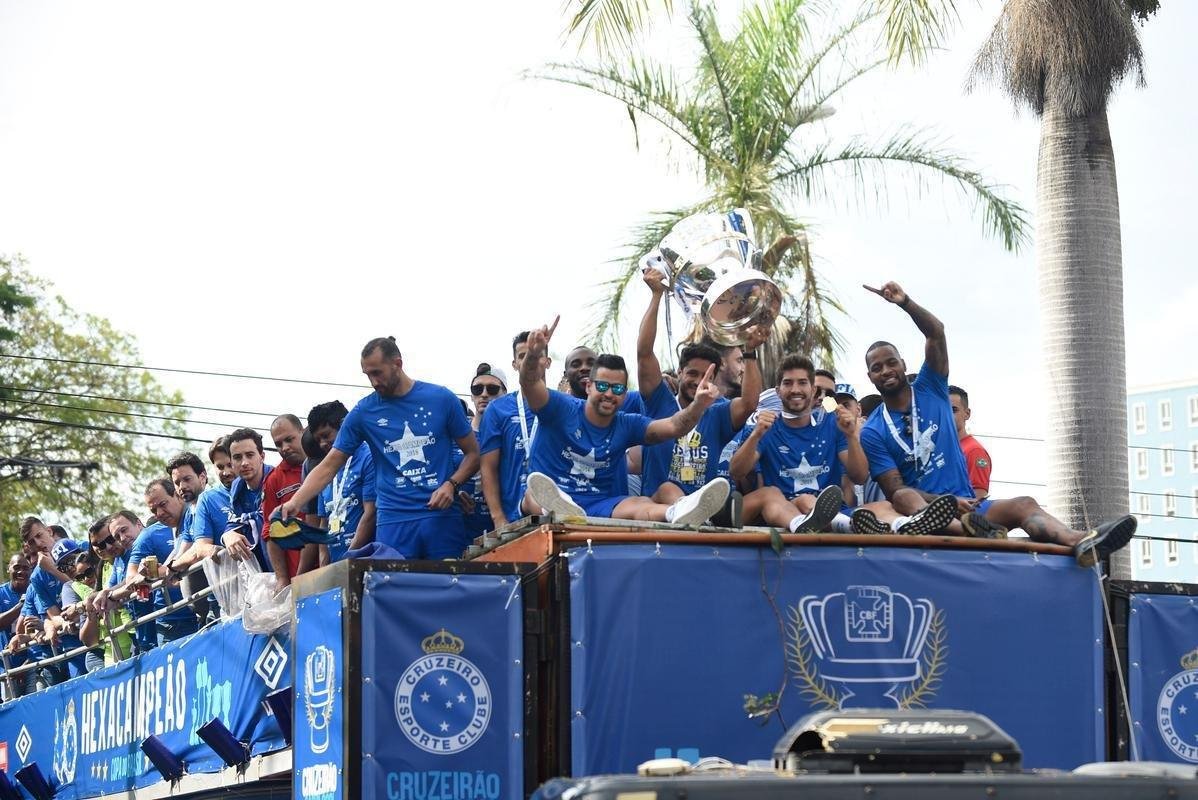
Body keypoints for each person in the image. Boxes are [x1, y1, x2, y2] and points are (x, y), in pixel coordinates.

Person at [858, 280, 1136, 565]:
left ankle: (1081, 542)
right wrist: (943, 503)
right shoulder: (872, 430)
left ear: (903, 364)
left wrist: (905, 302)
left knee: (1024, 504)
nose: (886, 370)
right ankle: (968, 531)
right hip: (923, 513)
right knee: (903, 496)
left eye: (891, 362)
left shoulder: (931, 387)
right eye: (876, 368)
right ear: (870, 377)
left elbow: (936, 333)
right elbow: (894, 489)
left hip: (969, 509)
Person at [281, 336, 479, 559]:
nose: (374, 382)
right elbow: (329, 465)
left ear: (398, 364)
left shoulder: (441, 399)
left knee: (448, 588)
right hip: (393, 521)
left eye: (377, 372)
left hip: (440, 517)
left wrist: (451, 485)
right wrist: (295, 502)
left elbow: (474, 454)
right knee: (396, 591)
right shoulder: (364, 412)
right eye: (368, 375)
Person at [518, 317, 730, 525]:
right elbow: (530, 383)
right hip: (553, 496)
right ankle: (557, 511)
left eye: (617, 388)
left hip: (601, 504)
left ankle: (678, 511)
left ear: (625, 394)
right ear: (588, 386)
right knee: (533, 495)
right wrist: (533, 355)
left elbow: (674, 426)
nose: (609, 393)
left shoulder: (627, 424)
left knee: (641, 503)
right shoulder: (561, 407)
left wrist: (699, 405)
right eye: (602, 386)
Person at [730, 355, 956, 534]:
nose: (795, 389)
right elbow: (736, 471)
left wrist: (851, 436)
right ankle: (846, 527)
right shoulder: (765, 425)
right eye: (788, 383)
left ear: (812, 390)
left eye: (802, 383)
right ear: (778, 390)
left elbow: (859, 476)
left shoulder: (832, 423)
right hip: (789, 511)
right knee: (806, 499)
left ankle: (901, 526)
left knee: (884, 507)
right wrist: (756, 435)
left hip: (836, 511)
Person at [636, 269, 766, 521]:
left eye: (705, 375)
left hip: (708, 505)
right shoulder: (658, 401)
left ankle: (702, 515)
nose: (697, 381)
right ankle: (692, 513)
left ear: (715, 377)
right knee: (667, 488)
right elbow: (644, 353)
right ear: (679, 372)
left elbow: (750, 403)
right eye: (691, 373)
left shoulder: (717, 412)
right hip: (660, 509)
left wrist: (749, 352)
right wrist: (655, 297)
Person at [479, 331, 543, 530]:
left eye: (536, 354)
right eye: (523, 356)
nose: (529, 361)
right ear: (515, 364)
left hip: (556, 515)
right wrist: (498, 519)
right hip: (513, 519)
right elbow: (488, 467)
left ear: (547, 361)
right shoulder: (498, 409)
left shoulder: (564, 406)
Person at [307, 400, 376, 561]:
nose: (323, 444)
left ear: (344, 426)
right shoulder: (325, 469)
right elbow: (323, 523)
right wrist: (324, 567)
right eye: (318, 440)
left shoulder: (368, 457)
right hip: (337, 568)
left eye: (326, 435)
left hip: (363, 561)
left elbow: (371, 512)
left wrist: (348, 559)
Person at [139, 479, 201, 642]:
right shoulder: (178, 527)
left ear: (177, 495)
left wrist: (167, 571)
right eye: (153, 510)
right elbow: (172, 563)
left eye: (163, 504)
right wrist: (149, 573)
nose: (159, 513)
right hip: (195, 613)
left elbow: (188, 556)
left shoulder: (193, 514)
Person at [262, 415, 312, 585]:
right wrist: (282, 578)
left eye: (289, 439)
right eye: (278, 444)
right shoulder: (274, 480)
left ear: (303, 432)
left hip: (334, 561)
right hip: (298, 577)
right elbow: (270, 532)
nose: (285, 448)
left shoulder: (327, 463)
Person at [457, 364, 505, 536]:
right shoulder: (456, 435)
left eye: (492, 389)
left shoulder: (513, 437)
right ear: (471, 395)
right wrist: (455, 493)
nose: (484, 394)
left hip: (502, 528)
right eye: (477, 389)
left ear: (505, 394)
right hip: (460, 531)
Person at [220, 428, 275, 569]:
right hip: (261, 571)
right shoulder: (237, 488)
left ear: (262, 456)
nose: (244, 462)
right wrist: (228, 535)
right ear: (231, 463)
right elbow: (233, 522)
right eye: (238, 457)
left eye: (250, 455)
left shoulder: (278, 479)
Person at [949, 385, 991, 499]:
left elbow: (978, 500)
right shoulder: (941, 449)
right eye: (944, 410)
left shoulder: (974, 451)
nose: (948, 415)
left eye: (953, 410)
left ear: (967, 414)